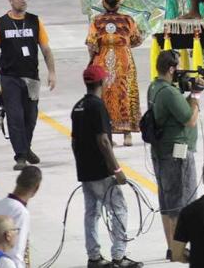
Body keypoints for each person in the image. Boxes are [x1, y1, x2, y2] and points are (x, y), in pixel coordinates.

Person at [73, 64, 140, 268]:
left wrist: (82, 167)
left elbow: (74, 141)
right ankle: (119, 256)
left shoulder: (78, 106)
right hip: (101, 171)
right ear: (101, 82)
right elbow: (103, 141)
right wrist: (117, 170)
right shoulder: (98, 106)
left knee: (91, 212)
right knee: (118, 208)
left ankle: (94, 257)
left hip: (85, 170)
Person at [0, 0, 56, 170]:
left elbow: (46, 49)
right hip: (10, 78)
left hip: (32, 78)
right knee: (15, 116)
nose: (23, 1)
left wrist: (52, 72)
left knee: (31, 116)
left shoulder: (35, 21)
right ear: (10, 0)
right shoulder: (0, 24)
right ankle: (20, 156)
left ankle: (26, 148)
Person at [149, 50, 201, 259]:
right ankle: (180, 250)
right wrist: (195, 96)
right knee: (182, 200)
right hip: (177, 152)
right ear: (171, 69)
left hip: (161, 151)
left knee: (167, 200)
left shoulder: (154, 87)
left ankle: (172, 247)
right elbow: (190, 120)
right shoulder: (170, 93)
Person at [85, 0, 143, 145]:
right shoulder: (128, 20)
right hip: (124, 60)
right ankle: (127, 135)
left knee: (104, 96)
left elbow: (91, 44)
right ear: (119, 3)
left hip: (102, 61)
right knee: (126, 92)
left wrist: (92, 60)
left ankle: (107, 134)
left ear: (104, 3)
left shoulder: (96, 21)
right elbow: (137, 40)